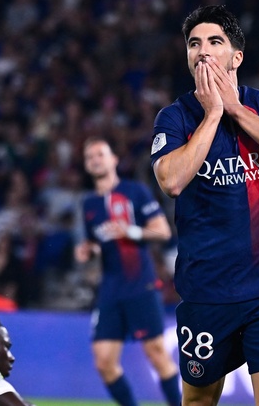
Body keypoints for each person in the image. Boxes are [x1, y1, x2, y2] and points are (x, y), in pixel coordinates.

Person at [150, 5, 259, 405]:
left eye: (214, 42)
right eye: (194, 44)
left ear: (236, 57)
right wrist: (213, 115)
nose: (203, 51)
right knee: (199, 401)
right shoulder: (175, 117)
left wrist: (236, 110)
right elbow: (171, 181)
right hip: (208, 289)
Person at [74, 138, 181, 406]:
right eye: (90, 157)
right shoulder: (89, 204)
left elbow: (163, 231)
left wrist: (129, 230)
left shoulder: (135, 191)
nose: (95, 160)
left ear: (114, 160)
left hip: (140, 284)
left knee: (156, 353)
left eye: (100, 154)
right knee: (104, 361)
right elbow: (98, 243)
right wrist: (88, 250)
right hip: (110, 288)